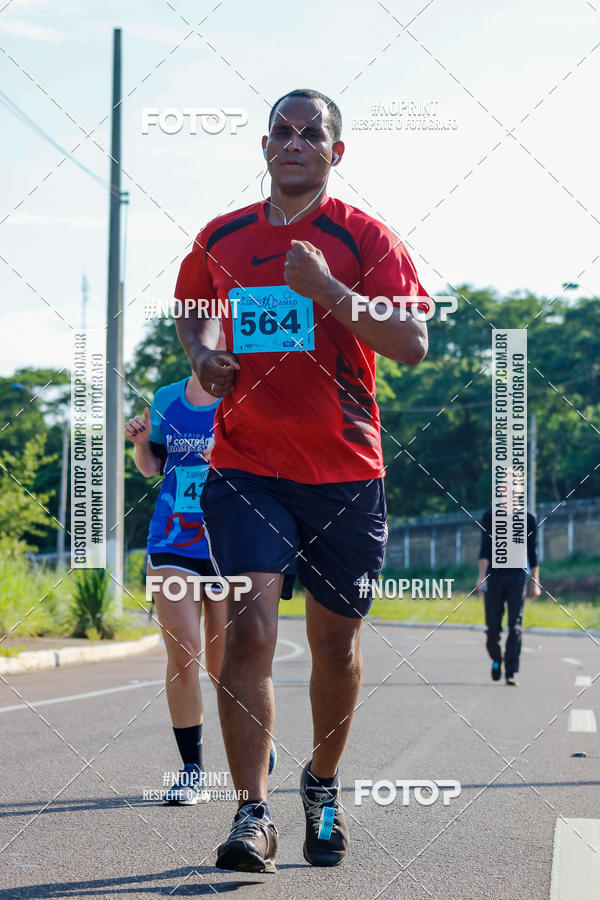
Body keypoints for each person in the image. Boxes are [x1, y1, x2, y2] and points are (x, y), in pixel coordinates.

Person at [175, 88, 429, 872]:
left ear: (335, 152)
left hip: (344, 472)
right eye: (281, 132)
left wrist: (331, 293)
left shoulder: (364, 238)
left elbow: (412, 341)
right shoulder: (222, 236)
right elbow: (195, 307)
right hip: (246, 466)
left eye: (310, 133)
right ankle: (252, 815)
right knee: (249, 630)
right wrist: (204, 355)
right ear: (263, 147)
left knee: (336, 647)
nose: (294, 143)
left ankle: (320, 784)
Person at [125, 363, 226, 805]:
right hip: (173, 540)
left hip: (230, 543)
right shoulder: (166, 398)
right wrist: (140, 442)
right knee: (184, 654)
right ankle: (192, 771)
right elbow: (151, 467)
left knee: (226, 666)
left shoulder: (248, 395)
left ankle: (253, 736)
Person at [476, 507, 540, 686]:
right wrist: (481, 577)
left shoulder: (528, 518)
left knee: (515, 625)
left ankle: (510, 671)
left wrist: (535, 582)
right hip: (493, 577)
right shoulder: (490, 516)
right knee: (492, 628)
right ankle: (497, 659)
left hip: (517, 577)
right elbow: (484, 549)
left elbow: (532, 553)